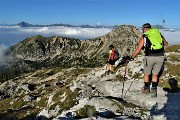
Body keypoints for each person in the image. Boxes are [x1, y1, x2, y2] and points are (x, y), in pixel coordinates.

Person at [131, 23, 168, 97]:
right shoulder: (158, 34)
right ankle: (154, 90)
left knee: (147, 73)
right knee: (155, 74)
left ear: (144, 29)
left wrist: (131, 57)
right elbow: (166, 44)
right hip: (160, 57)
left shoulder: (144, 36)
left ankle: (146, 89)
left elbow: (138, 50)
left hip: (149, 57)